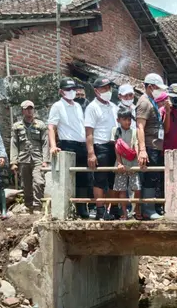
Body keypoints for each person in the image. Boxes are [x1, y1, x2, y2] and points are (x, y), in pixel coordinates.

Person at [48, 78, 90, 218]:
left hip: (81, 144)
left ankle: (82, 207)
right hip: (68, 144)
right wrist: (53, 146)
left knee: (83, 177)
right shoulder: (57, 106)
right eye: (68, 90)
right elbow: (51, 127)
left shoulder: (78, 106)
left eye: (73, 89)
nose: (71, 92)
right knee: (68, 177)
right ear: (61, 91)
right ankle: (66, 208)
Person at [84, 78, 119, 220]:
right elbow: (89, 132)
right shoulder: (92, 107)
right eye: (104, 89)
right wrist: (91, 153)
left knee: (113, 179)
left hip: (114, 146)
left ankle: (111, 209)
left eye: (108, 88)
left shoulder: (114, 107)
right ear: (96, 90)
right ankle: (100, 209)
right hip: (100, 146)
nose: (107, 91)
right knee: (100, 179)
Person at [135, 73, 168, 220]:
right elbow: (140, 127)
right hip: (148, 146)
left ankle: (151, 207)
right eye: (158, 88)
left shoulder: (152, 101)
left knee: (154, 177)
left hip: (156, 146)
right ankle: (147, 209)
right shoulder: (144, 103)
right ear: (150, 87)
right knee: (149, 177)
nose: (160, 91)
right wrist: (142, 150)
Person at [10, 100, 48, 215]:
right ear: (22, 111)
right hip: (23, 158)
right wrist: (13, 161)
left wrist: (45, 160)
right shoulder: (17, 126)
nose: (29, 111)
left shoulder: (40, 125)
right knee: (26, 183)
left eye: (31, 108)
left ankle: (37, 205)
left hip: (37, 158)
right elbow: (14, 144)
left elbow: (45, 143)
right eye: (27, 109)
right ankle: (28, 205)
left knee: (38, 181)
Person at [113, 106, 142, 220]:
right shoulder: (115, 131)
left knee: (137, 188)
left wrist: (139, 160)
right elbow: (116, 149)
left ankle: (136, 209)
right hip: (121, 164)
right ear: (118, 120)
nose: (127, 122)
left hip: (133, 163)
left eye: (129, 119)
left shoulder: (134, 132)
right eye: (125, 119)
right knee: (122, 189)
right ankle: (124, 212)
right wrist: (120, 163)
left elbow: (136, 145)